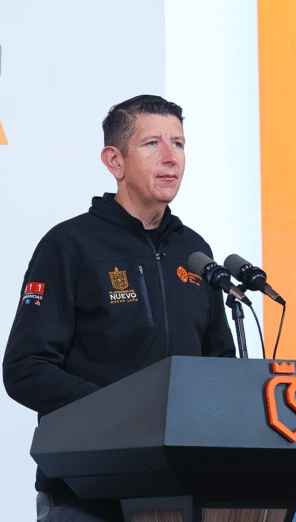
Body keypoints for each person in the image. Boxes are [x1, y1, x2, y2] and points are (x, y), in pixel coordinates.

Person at [3, 95, 236, 521]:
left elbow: (219, 363)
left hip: (179, 489)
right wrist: (118, 409)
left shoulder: (194, 252)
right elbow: (26, 368)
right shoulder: (69, 246)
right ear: (115, 160)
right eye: (152, 144)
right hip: (86, 490)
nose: (170, 157)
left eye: (178, 144)